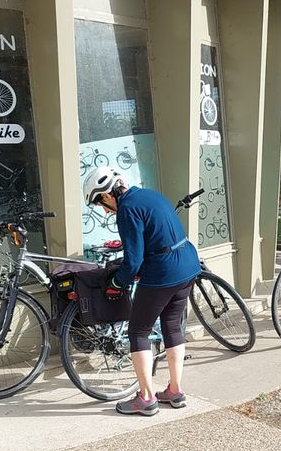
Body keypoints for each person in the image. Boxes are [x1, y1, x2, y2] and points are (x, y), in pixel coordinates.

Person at [83, 166, 202, 416]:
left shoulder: (126, 210)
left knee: (138, 331)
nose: (104, 210)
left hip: (163, 273)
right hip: (188, 265)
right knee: (171, 325)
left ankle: (146, 397)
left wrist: (117, 284)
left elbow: (133, 261)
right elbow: (159, 235)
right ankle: (175, 391)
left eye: (100, 203)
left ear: (107, 195)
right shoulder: (151, 195)